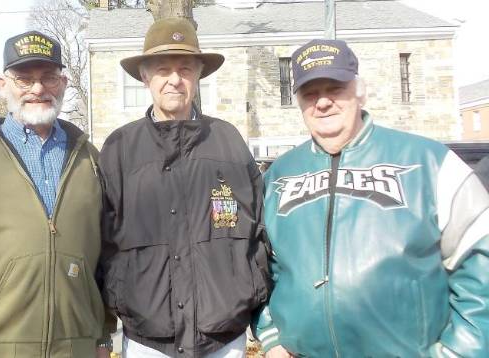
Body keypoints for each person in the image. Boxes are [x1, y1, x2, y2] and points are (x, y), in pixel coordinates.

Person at [255, 39, 489, 357]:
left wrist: (461, 351)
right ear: (299, 101)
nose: (322, 102)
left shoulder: (429, 163)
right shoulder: (278, 176)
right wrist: (271, 336)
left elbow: (480, 262)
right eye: (311, 92)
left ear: (358, 90)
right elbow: (259, 266)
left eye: (334, 88)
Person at [0, 30, 112, 358]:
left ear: (64, 83)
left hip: (77, 348)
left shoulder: (91, 160)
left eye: (49, 77)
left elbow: (106, 257)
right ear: (3, 85)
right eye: (24, 79)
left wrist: (102, 336)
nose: (38, 89)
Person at [98, 18, 271, 358]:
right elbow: (99, 244)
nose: (174, 79)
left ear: (198, 76)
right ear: (146, 77)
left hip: (226, 340)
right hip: (147, 342)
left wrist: (259, 316)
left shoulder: (229, 143)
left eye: (185, 69)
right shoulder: (119, 149)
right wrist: (105, 329)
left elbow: (260, 234)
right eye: (163, 69)